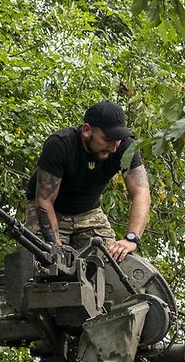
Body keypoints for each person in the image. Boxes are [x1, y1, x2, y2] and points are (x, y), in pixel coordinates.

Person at [23, 101, 151, 262]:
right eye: (107, 139)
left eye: (118, 139)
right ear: (86, 130)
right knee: (47, 265)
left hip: (89, 212)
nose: (113, 147)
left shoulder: (126, 148)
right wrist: (56, 247)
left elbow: (142, 193)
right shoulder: (60, 144)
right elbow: (44, 200)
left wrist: (131, 239)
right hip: (51, 210)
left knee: (115, 260)